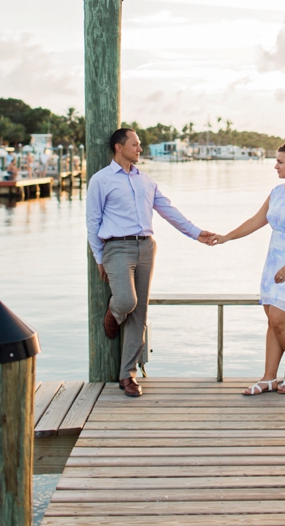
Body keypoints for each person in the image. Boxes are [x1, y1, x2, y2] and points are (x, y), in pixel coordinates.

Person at [85, 128, 217, 399]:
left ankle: (127, 374)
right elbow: (92, 221)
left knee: (140, 313)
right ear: (119, 147)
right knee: (125, 301)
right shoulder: (101, 180)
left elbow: (167, 210)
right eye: (135, 144)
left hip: (146, 246)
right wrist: (99, 257)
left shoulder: (146, 180)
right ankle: (113, 313)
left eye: (140, 145)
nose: (140, 149)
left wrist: (196, 232)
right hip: (116, 247)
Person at [209, 144, 285, 395]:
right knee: (273, 321)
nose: (275, 166)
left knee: (280, 319)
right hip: (274, 261)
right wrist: (227, 237)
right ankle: (269, 377)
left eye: (280, 162)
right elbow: (255, 221)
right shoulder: (276, 193)